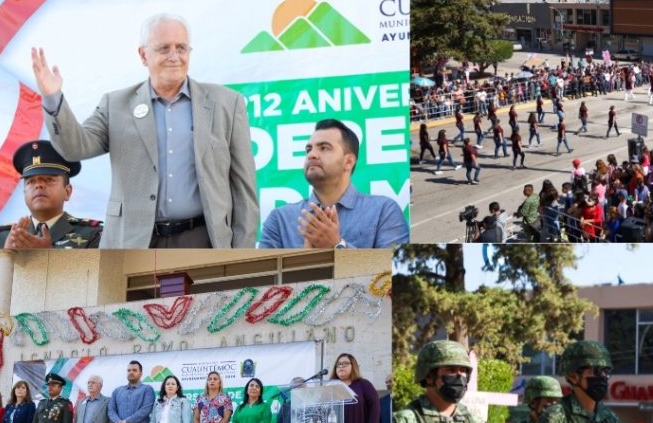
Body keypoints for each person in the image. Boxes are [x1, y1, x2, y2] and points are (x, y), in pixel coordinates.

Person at [32, 13, 258, 248]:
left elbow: (244, 189)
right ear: (143, 55)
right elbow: (73, 148)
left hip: (204, 239)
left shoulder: (227, 103)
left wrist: (242, 252)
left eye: (181, 48)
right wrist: (53, 97)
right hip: (134, 242)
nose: (174, 56)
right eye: (164, 48)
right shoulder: (116, 105)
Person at [259, 118, 408, 248]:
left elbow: (393, 275)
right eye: (308, 149)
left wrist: (337, 246)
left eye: (324, 148)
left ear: (348, 162)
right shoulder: (280, 220)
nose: (312, 154)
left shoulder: (383, 211)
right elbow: (262, 278)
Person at [0, 140, 103, 248]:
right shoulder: (2, 238)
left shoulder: (91, 234)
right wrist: (6, 256)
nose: (38, 185)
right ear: (24, 192)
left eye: (49, 180)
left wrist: (48, 255)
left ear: (67, 191)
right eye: (31, 181)